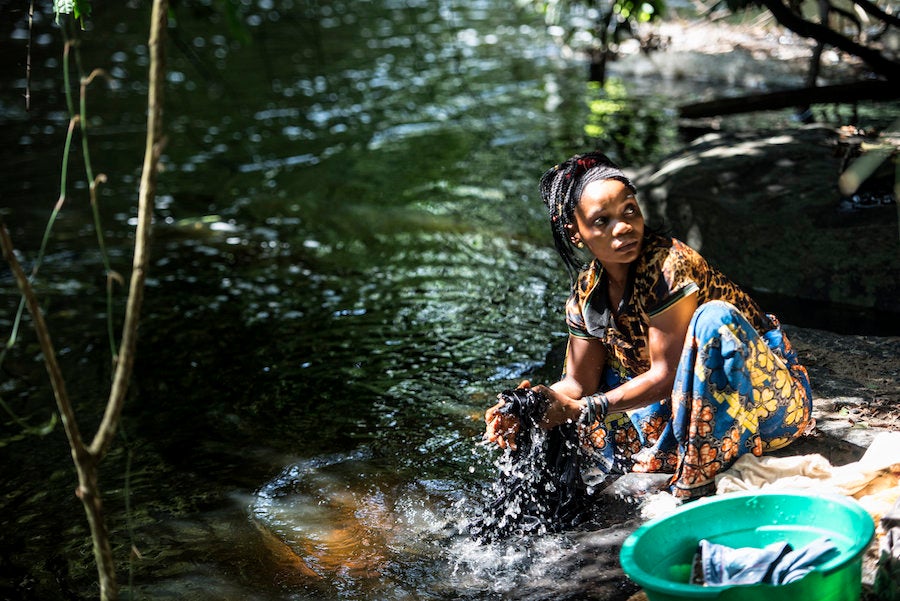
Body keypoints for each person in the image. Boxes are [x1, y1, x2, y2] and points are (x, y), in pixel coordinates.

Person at [484, 151, 813, 500]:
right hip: (676, 408)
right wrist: (525, 406)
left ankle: (702, 474)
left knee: (715, 320)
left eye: (629, 210)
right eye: (602, 220)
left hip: (768, 405)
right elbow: (579, 382)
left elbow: (666, 374)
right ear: (575, 233)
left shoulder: (670, 264)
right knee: (575, 393)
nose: (623, 227)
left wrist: (584, 409)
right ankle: (670, 452)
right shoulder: (587, 289)